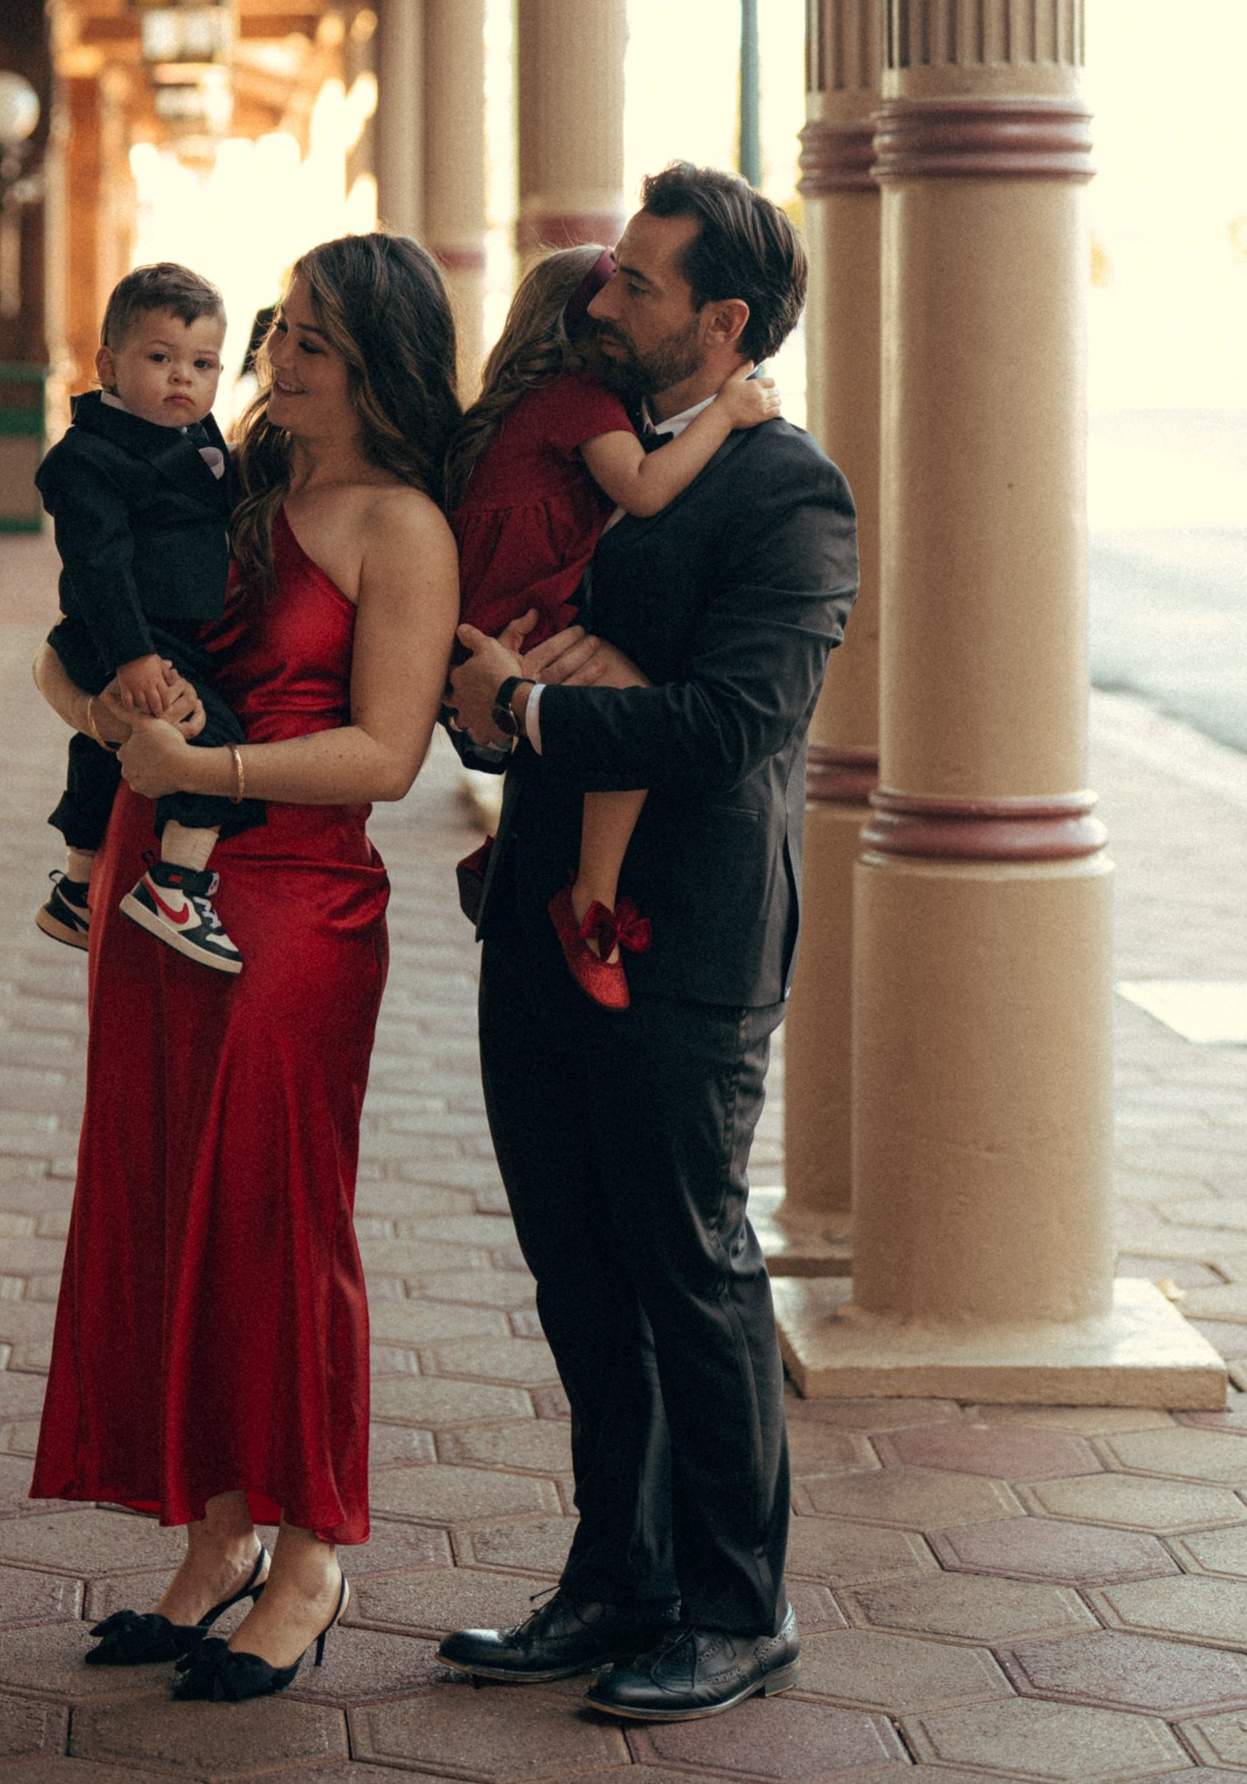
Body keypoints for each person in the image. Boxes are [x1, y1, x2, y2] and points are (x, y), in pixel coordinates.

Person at [441, 164, 858, 1727]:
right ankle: (614, 1573)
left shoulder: (792, 491)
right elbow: (483, 699)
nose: (599, 298)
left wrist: (549, 707)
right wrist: (489, 692)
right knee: (573, 1263)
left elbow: (740, 722)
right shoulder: (581, 450)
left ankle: (740, 1607)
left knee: (689, 1267)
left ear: (724, 321)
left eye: (634, 283)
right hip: (536, 910)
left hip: (682, 944)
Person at [31, 233, 462, 1706]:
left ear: (383, 368)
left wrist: (198, 759)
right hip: (159, 887)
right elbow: (70, 644)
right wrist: (102, 702)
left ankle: (311, 1550)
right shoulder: (222, 481)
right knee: (167, 1209)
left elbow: (388, 758)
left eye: (317, 342)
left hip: (287, 904)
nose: (280, 356)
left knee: (278, 1226)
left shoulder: (399, 524)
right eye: (282, 327)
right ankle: (215, 1536)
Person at [446, 242, 779, 1005]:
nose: (618, 313)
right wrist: (726, 411)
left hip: (504, 608)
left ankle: (518, 856)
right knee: (626, 700)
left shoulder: (539, 401)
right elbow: (644, 489)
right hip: (523, 611)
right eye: (614, 295)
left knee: (590, 715)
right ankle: (591, 900)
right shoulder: (581, 400)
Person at [34, 263, 263, 976]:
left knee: (103, 750)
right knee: (209, 738)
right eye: (159, 359)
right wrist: (131, 656)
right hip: (124, 633)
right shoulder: (90, 458)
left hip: (172, 631)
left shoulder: (201, 438)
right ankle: (177, 885)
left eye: (203, 364)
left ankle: (76, 889)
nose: (182, 379)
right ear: (109, 365)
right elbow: (99, 565)